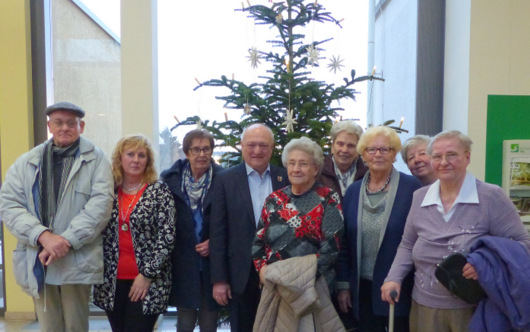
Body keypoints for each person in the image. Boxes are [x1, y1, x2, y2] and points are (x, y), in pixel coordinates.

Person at [381, 130, 530, 332]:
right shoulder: (420, 197)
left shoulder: (490, 197)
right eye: (437, 156)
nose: (444, 162)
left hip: (472, 307)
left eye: (451, 155)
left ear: (467, 157)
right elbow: (407, 245)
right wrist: (393, 278)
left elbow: (522, 244)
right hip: (424, 306)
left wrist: (485, 263)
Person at [0, 102, 114, 332]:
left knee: (76, 326)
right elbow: (9, 204)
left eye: (71, 123)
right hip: (38, 258)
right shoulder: (27, 162)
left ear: (81, 126)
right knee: (49, 327)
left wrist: (66, 240)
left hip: (76, 258)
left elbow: (101, 206)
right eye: (59, 122)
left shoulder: (97, 160)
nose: (65, 128)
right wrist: (42, 235)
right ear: (49, 125)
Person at [252, 136, 345, 331]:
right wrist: (263, 271)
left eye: (303, 164)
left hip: (312, 290)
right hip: (275, 289)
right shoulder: (274, 199)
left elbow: (331, 248)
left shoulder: (327, 198)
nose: (296, 169)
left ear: (315, 168)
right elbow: (258, 242)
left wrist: (293, 279)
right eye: (292, 163)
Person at [336, 126, 422, 332]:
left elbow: (418, 239)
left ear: (394, 155)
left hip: (400, 286)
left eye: (385, 150)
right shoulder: (354, 191)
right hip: (362, 288)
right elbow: (345, 242)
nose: (378, 155)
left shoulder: (412, 188)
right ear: (363, 154)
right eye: (371, 149)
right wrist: (344, 285)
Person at [209, 123, 289, 332]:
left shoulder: (286, 178)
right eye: (251, 145)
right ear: (242, 146)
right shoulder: (224, 180)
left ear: (272, 148)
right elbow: (217, 233)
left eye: (263, 145)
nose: (257, 151)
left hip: (280, 271)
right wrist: (219, 280)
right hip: (240, 275)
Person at [93, 134, 176, 332]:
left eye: (142, 155)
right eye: (130, 154)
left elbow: (167, 237)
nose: (136, 160)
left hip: (147, 279)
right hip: (111, 281)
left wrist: (146, 275)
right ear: (120, 159)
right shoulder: (108, 190)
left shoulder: (159, 191)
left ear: (148, 161)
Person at [160, 129, 223, 332]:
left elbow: (231, 219)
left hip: (211, 263)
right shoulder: (171, 179)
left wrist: (215, 242)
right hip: (182, 260)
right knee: (184, 322)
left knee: (208, 322)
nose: (202, 154)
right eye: (196, 149)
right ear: (187, 153)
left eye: (206, 149)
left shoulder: (224, 179)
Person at [319, 120, 368, 199]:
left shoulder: (367, 173)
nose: (344, 150)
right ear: (332, 146)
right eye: (340, 144)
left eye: (351, 146)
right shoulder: (319, 171)